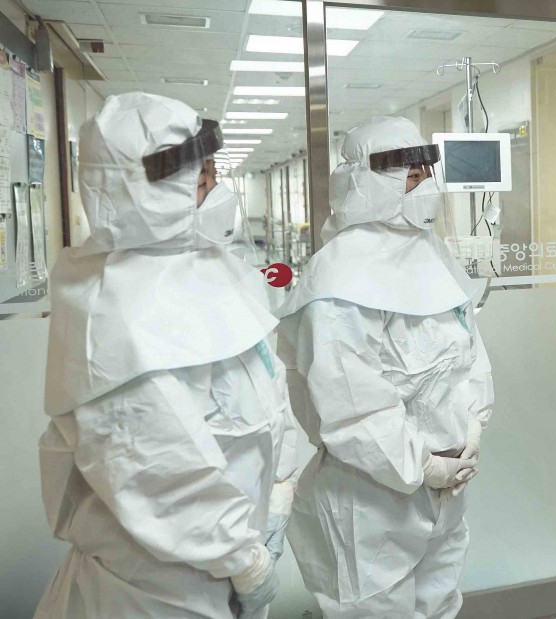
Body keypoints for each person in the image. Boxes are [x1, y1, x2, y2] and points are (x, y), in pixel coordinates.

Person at [35, 92, 298, 618]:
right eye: (199, 182)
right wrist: (247, 562)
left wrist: (279, 489)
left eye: (211, 175)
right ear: (141, 192)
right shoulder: (110, 312)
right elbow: (165, 474)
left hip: (225, 569)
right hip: (151, 593)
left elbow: (266, 387)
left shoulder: (209, 270)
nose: (214, 192)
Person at [276, 116, 493, 619]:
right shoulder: (338, 275)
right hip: (372, 498)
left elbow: (468, 350)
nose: (421, 185)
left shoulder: (432, 253)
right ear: (367, 181)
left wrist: (475, 424)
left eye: (424, 171)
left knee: (440, 602)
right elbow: (350, 402)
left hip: (447, 485)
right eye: (407, 175)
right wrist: (421, 466)